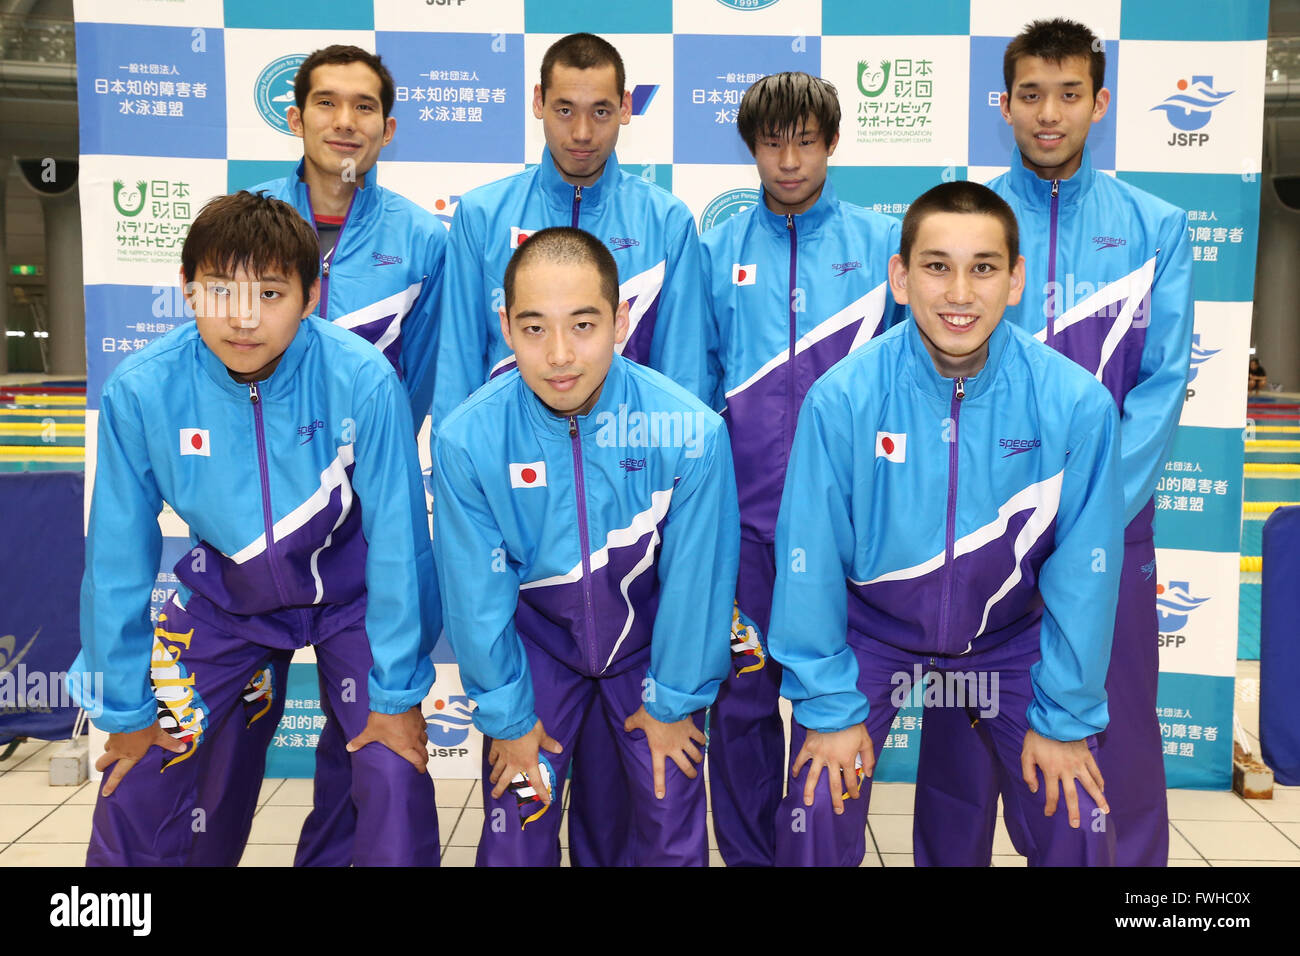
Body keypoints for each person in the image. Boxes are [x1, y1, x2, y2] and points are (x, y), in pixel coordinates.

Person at [70, 191, 440, 866]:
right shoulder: (142, 390)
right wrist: (124, 710)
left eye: (271, 293)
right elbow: (117, 558)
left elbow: (400, 545)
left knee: (389, 767)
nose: (243, 318)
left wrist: (398, 692)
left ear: (309, 294)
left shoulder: (362, 378)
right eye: (218, 291)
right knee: (137, 776)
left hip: (352, 601)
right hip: (226, 601)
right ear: (186, 290)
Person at [768, 181, 1122, 867]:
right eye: (937, 266)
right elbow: (807, 563)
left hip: (1006, 639)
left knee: (1079, 813)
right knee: (816, 801)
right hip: (872, 636)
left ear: (1016, 279)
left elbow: (1085, 578)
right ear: (900, 277)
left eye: (984, 267)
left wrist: (1065, 718)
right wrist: (828, 706)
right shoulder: (842, 400)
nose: (960, 293)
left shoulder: (1076, 405)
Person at [911, 18, 1194, 868]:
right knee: (959, 755)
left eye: (1069, 94)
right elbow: (928, 377)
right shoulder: (965, 222)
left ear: (1099, 103)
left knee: (1116, 750)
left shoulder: (1156, 226)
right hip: (980, 535)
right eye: (1031, 94)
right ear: (1005, 104)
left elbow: (1163, 383)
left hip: (1106, 530)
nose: (1049, 113)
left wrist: (1089, 515)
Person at [431, 32, 712, 866]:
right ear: (537, 105)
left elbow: (686, 382)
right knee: (523, 812)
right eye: (564, 110)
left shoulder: (666, 221)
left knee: (638, 809)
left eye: (601, 111)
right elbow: (455, 380)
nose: (582, 131)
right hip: (523, 543)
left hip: (633, 536)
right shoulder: (483, 217)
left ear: (628, 109)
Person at [191, 44, 447, 868]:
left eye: (365, 106)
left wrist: (359, 480)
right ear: (295, 116)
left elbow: (426, 381)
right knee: (202, 759)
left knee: (373, 755)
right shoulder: (243, 221)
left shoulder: (422, 239)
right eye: (327, 104)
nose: (346, 122)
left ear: (388, 127)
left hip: (361, 538)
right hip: (246, 537)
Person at [699, 71, 902, 867]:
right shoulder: (713, 251)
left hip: (852, 539)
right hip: (743, 533)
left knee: (833, 709)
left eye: (806, 141)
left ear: (832, 143)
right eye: (772, 142)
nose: (789, 159)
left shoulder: (884, 245)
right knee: (742, 710)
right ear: (752, 145)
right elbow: (691, 388)